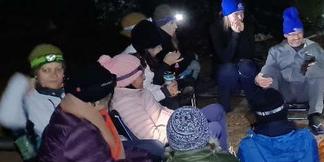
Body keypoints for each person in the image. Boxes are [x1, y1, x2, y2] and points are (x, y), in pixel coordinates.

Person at [98, 53, 229, 152]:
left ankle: (223, 156)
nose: (144, 77)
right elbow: (154, 139)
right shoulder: (125, 103)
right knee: (214, 128)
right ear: (128, 80)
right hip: (172, 141)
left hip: (175, 126)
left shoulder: (138, 91)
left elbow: (162, 112)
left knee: (216, 110)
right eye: (140, 74)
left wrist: (182, 117)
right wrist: (182, 126)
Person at [255, 7, 324, 135]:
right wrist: (258, 79)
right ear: (285, 35)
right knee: (271, 72)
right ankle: (274, 117)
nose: (296, 37)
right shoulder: (276, 50)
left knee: (316, 70)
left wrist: (316, 68)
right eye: (292, 34)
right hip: (284, 91)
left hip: (307, 90)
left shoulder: (314, 48)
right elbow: (266, 71)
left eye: (299, 33)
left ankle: (314, 117)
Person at [209, 0, 259, 112]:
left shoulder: (248, 27)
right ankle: (224, 106)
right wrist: (235, 35)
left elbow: (249, 54)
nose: (240, 17)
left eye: (242, 13)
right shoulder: (215, 28)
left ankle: (254, 104)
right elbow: (224, 58)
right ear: (227, 15)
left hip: (244, 70)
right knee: (228, 68)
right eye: (236, 14)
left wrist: (241, 34)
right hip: (225, 71)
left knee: (245, 65)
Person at [130, 19, 189, 108]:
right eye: (158, 46)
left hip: (152, 95)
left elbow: (150, 83)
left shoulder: (144, 55)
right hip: (142, 105)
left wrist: (164, 88)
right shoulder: (132, 61)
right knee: (172, 103)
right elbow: (142, 92)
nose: (161, 49)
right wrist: (166, 64)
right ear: (147, 47)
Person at [153, 4, 200, 82]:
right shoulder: (157, 42)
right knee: (194, 64)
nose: (176, 26)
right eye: (172, 23)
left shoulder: (169, 37)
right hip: (164, 78)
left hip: (170, 72)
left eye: (175, 23)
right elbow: (171, 60)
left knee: (194, 60)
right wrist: (191, 57)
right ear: (162, 25)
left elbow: (179, 51)